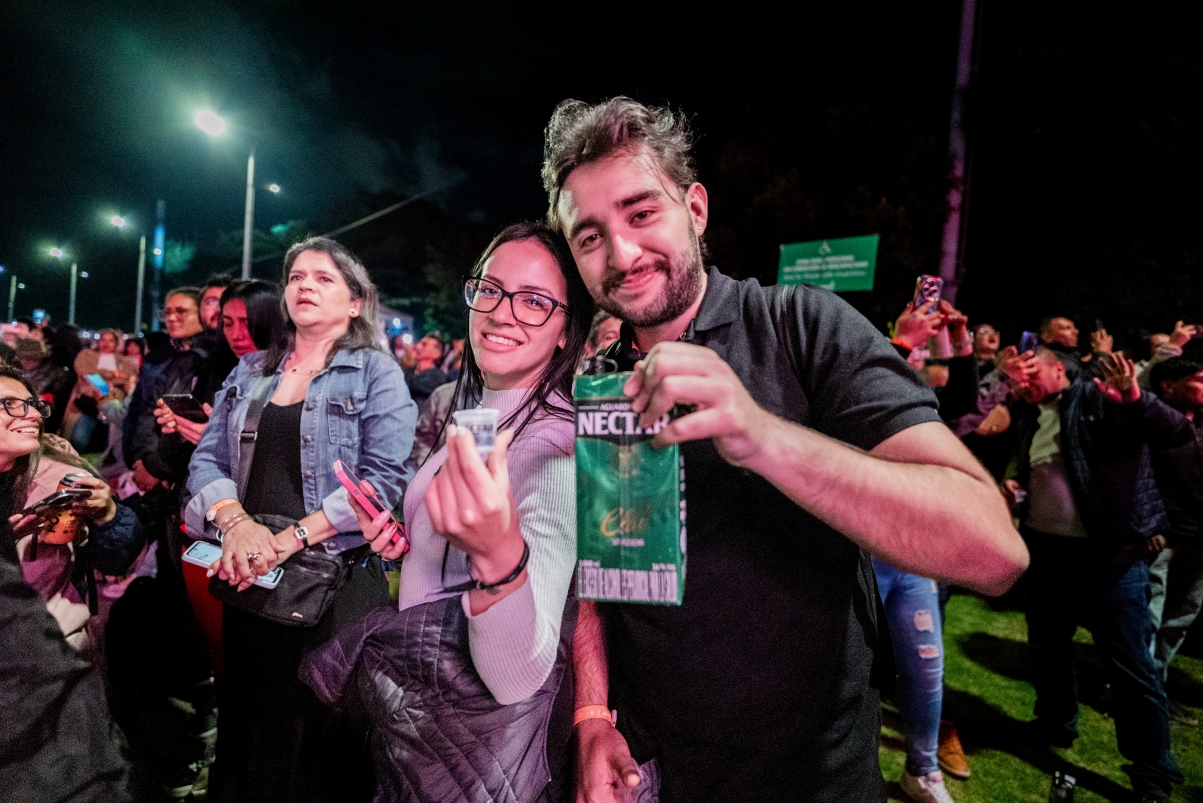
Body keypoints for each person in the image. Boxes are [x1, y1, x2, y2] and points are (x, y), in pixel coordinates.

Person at [543, 96, 1028, 803]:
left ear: (695, 209)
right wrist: (591, 713)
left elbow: (992, 551)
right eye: (589, 237)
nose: (621, 253)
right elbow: (604, 574)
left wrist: (762, 436)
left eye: (641, 213)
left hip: (810, 780)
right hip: (652, 773)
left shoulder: (801, 326)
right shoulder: (604, 382)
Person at [300, 221, 594, 802]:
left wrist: (497, 557)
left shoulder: (555, 446)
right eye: (491, 289)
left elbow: (518, 676)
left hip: (474, 746)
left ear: (567, 331)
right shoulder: (484, 416)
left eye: (535, 301)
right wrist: (405, 546)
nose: (502, 313)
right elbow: (444, 574)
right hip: (424, 724)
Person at [184, 236, 415, 803]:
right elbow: (206, 460)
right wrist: (237, 524)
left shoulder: (375, 372)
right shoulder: (249, 371)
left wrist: (286, 540)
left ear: (356, 302)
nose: (305, 285)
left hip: (335, 582)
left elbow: (384, 479)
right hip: (252, 575)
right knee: (248, 725)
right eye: (296, 277)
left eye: (323, 278)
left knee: (319, 741)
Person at [1001, 349, 1187, 801]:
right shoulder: (1032, 415)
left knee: (1130, 665)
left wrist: (1136, 397)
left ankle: (1152, 772)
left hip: (1107, 557)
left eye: (1033, 370)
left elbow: (1174, 431)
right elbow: (1029, 462)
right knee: (1048, 647)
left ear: (1059, 369)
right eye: (1021, 373)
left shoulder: (1093, 399)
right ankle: (1055, 724)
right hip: (1047, 552)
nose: (1026, 378)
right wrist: (1014, 481)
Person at [1145, 356, 1203, 726]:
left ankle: (1155, 686)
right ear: (1168, 385)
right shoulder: (1150, 421)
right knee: (1149, 614)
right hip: (1163, 535)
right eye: (1199, 379)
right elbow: (1137, 476)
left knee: (1182, 614)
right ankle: (1134, 691)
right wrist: (1147, 524)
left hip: (1199, 537)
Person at [65, 329, 136, 453]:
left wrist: (100, 378)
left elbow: (128, 377)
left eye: (111, 340)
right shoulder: (87, 355)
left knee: (110, 443)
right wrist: (115, 376)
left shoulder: (124, 361)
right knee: (79, 439)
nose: (106, 343)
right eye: (103, 339)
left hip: (114, 406)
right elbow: (86, 373)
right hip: (90, 404)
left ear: (116, 343)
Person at [14, 337, 73, 435]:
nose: (25, 361)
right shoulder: (13, 371)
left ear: (40, 358)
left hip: (42, 414)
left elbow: (58, 398)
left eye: (31, 358)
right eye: (22, 357)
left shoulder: (55, 374)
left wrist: (41, 398)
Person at [403, 332, 449, 407]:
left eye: (424, 345)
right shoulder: (409, 372)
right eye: (419, 343)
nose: (417, 346)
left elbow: (415, 384)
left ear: (436, 353)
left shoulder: (438, 376)